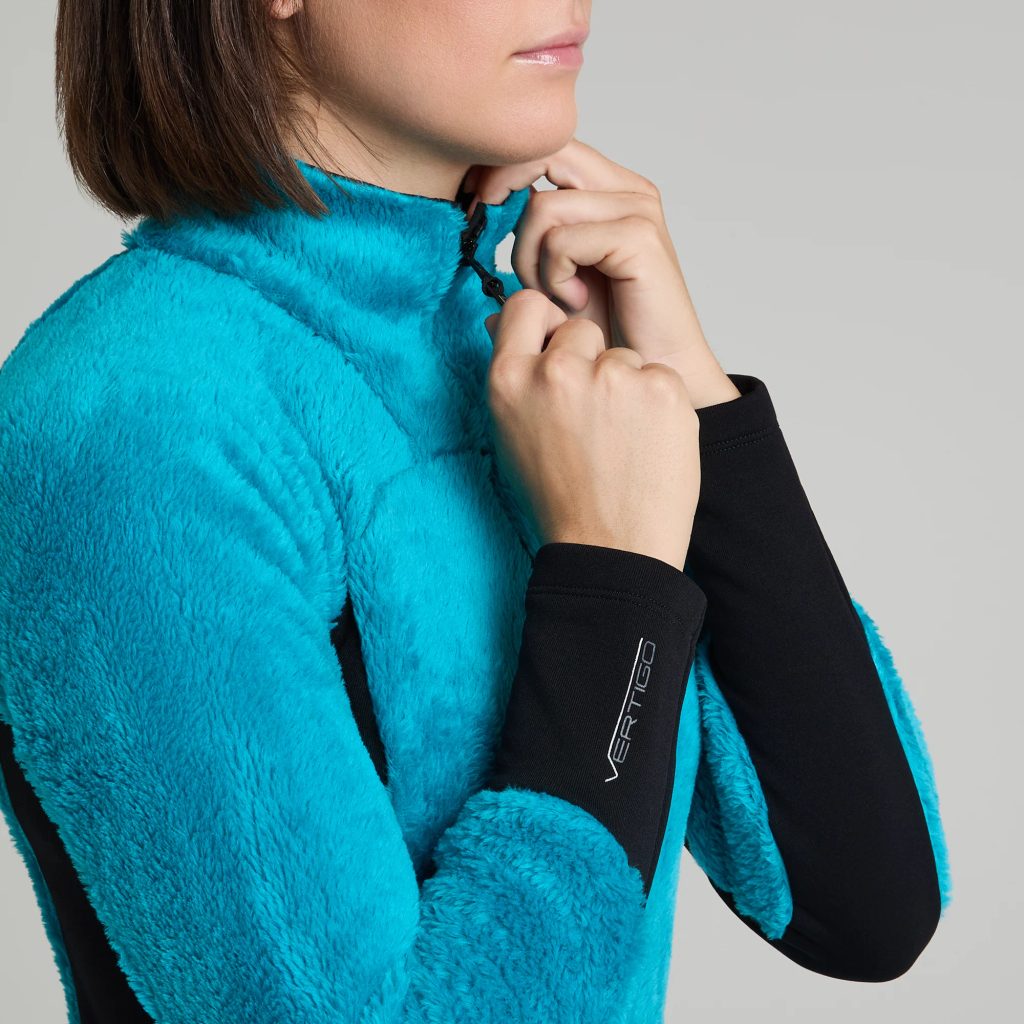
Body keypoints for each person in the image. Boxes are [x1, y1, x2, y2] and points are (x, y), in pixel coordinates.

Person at [0, 2, 951, 1022]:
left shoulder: (511, 348)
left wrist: (687, 388)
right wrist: (614, 592)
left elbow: (862, 904)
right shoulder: (135, 420)